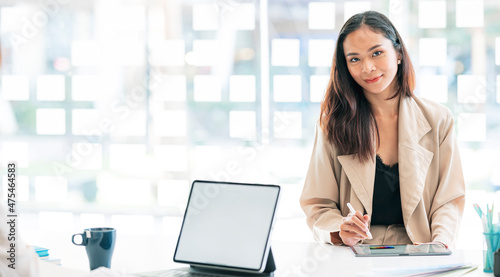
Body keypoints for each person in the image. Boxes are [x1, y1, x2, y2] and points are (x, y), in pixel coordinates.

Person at [300, 11, 465, 247]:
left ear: (398, 53)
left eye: (377, 53)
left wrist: (440, 245)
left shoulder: (438, 119)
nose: (367, 67)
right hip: (357, 254)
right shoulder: (333, 123)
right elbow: (317, 205)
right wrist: (340, 229)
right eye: (354, 59)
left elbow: (448, 200)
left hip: (421, 251)